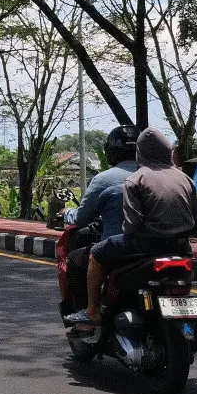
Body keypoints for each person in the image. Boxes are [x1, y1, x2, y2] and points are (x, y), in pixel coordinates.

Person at [64, 127, 197, 339]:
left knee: (96, 255)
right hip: (181, 246)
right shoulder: (185, 179)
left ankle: (92, 311)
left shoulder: (137, 178)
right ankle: (186, 322)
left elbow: (132, 223)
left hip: (143, 245)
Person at [60, 126, 139, 296]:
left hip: (120, 246)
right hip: (165, 245)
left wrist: (66, 212)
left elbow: (82, 218)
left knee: (75, 261)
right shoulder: (157, 176)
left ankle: (91, 312)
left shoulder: (104, 179)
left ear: (111, 152)